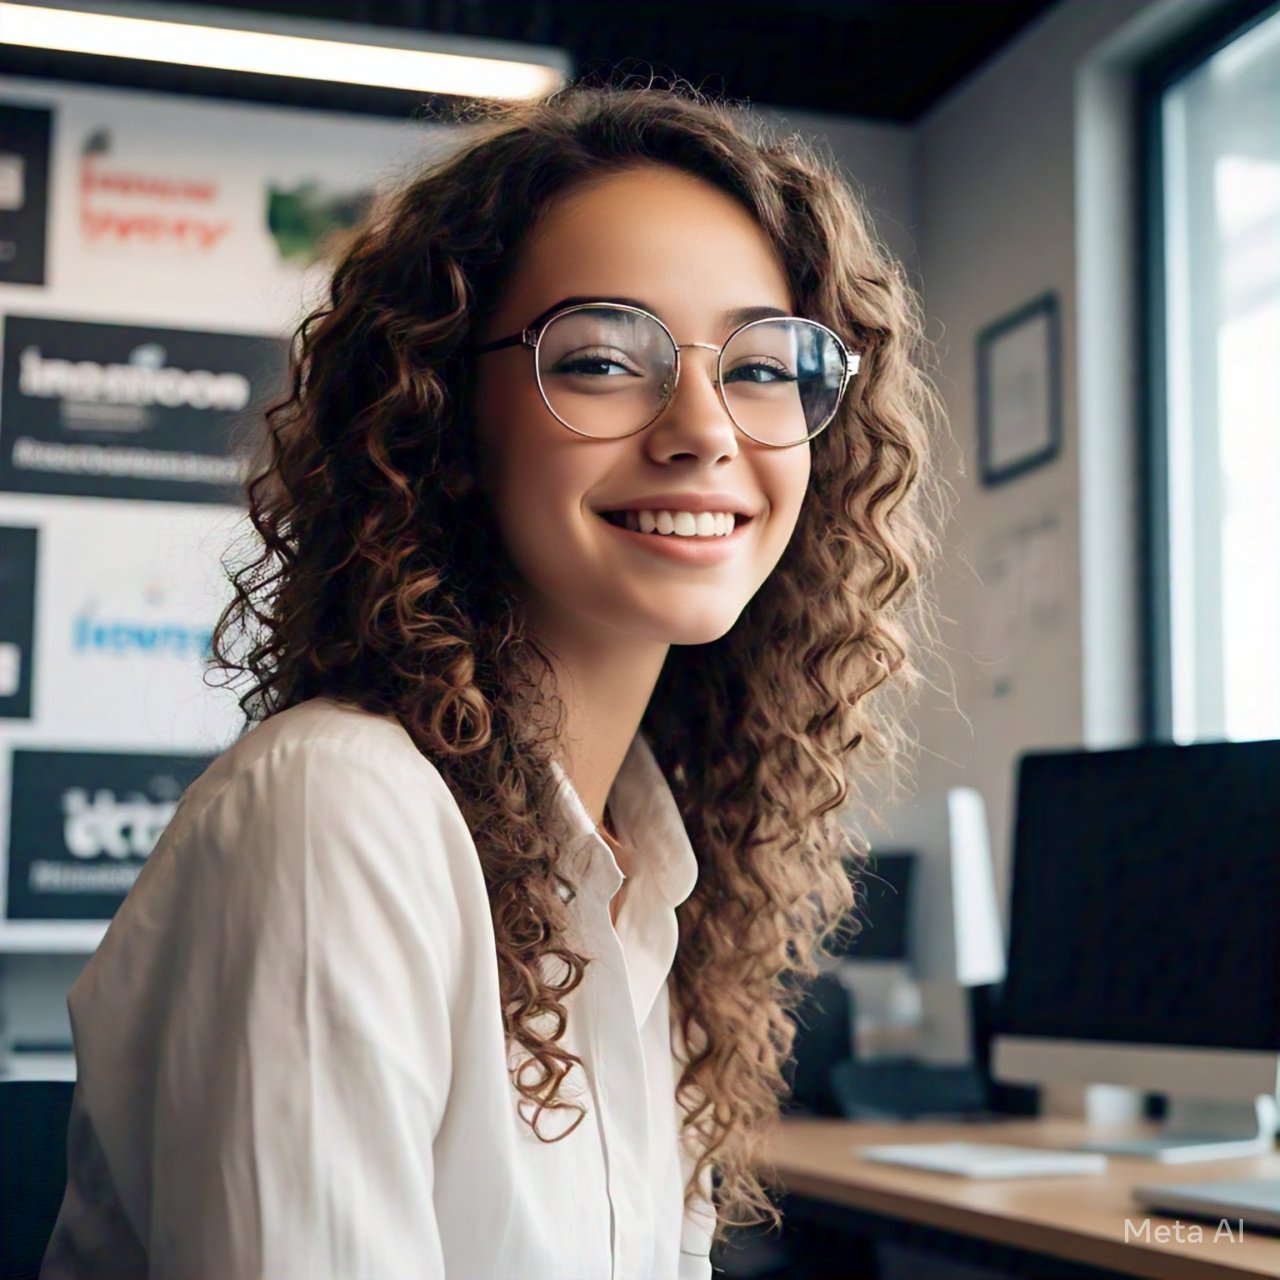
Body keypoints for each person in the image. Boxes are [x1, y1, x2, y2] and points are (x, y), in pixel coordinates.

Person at [40, 80, 940, 1280]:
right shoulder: (336, 811)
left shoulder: (650, 872)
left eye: (766, 366)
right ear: (443, 417)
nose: (703, 426)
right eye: (604, 358)